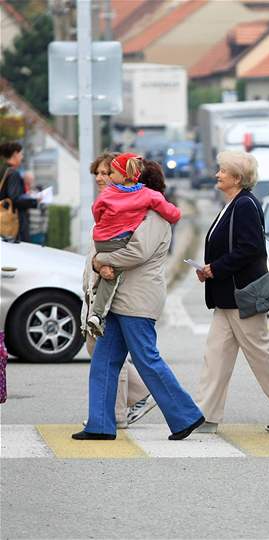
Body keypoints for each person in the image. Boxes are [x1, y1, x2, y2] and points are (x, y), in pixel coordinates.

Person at [72, 160, 204, 441]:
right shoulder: (132, 211)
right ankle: (100, 425)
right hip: (118, 299)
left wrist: (100, 261)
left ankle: (186, 415)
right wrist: (100, 263)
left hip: (138, 299)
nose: (113, 181)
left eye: (119, 176)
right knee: (103, 362)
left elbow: (137, 252)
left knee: (146, 358)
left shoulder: (154, 216)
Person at [194, 150, 269, 434]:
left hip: (242, 296)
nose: (217, 174)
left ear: (236, 177)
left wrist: (214, 269)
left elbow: (250, 248)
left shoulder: (244, 205)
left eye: (222, 170)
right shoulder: (233, 203)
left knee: (261, 356)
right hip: (227, 298)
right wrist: (210, 269)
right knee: (215, 357)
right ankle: (204, 416)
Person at [79, 153, 157, 429]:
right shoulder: (107, 205)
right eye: (98, 174)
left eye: (106, 173)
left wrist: (103, 265)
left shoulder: (127, 209)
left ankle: (115, 415)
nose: (101, 178)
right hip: (94, 290)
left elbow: (129, 251)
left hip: (111, 292)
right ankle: (145, 395)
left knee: (110, 359)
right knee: (98, 352)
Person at [86, 153, 181, 337]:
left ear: (122, 175)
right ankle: (97, 314)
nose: (107, 178)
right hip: (119, 241)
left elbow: (96, 210)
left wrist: (102, 227)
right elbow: (173, 214)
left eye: (110, 173)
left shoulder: (109, 193)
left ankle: (97, 312)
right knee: (111, 274)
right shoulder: (148, 196)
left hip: (102, 240)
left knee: (108, 274)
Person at [0, 142, 39, 242]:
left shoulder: (3, 171)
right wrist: (34, 200)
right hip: (13, 223)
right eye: (21, 154)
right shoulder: (13, 174)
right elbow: (15, 199)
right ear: (15, 154)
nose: (22, 157)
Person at [23, 172, 48, 246]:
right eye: (27, 180)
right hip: (24, 231)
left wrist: (43, 230)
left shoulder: (39, 195)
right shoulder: (21, 193)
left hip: (37, 232)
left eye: (31, 180)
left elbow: (45, 213)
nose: (29, 182)